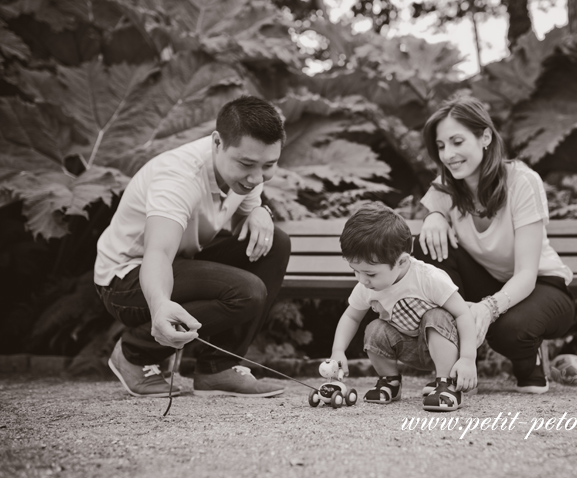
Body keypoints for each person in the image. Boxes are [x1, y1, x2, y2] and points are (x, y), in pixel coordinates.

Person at [94, 95, 290, 399]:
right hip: (125, 280)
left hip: (182, 262)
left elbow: (245, 221)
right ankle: (134, 353)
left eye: (269, 165)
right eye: (247, 164)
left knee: (275, 242)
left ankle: (217, 370)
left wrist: (261, 211)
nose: (256, 177)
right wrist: (160, 306)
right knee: (246, 291)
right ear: (217, 143)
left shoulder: (248, 168)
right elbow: (157, 252)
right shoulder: (178, 178)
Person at [415, 95, 575, 394]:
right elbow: (433, 221)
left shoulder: (522, 181)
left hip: (540, 285)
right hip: (487, 281)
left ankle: (529, 364)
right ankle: (450, 370)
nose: (448, 154)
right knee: (426, 246)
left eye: (457, 141)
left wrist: (487, 310)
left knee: (509, 331)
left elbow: (526, 273)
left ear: (485, 136)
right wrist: (434, 216)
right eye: (441, 146)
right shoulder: (447, 187)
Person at [328, 203, 477, 412]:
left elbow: (463, 313)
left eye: (370, 274)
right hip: (406, 346)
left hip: (443, 344)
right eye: (355, 271)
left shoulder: (428, 278)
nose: (362, 280)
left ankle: (447, 384)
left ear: (402, 261)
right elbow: (351, 316)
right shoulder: (366, 286)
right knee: (374, 328)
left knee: (435, 316)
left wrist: (468, 359)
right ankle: (390, 382)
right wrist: (338, 351)